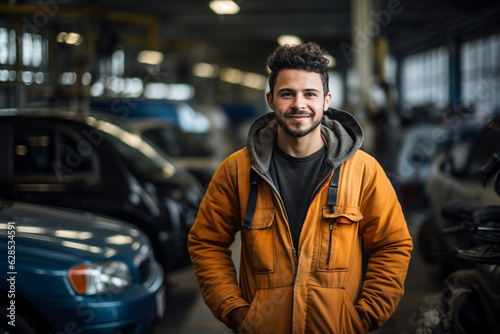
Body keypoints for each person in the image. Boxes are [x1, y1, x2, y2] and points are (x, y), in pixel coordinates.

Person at [188, 42, 412, 334]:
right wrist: (235, 311)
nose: (298, 105)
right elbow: (207, 243)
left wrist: (365, 315)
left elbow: (392, 245)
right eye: (287, 94)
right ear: (271, 100)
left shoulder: (364, 171)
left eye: (310, 94)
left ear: (327, 100)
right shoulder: (237, 170)